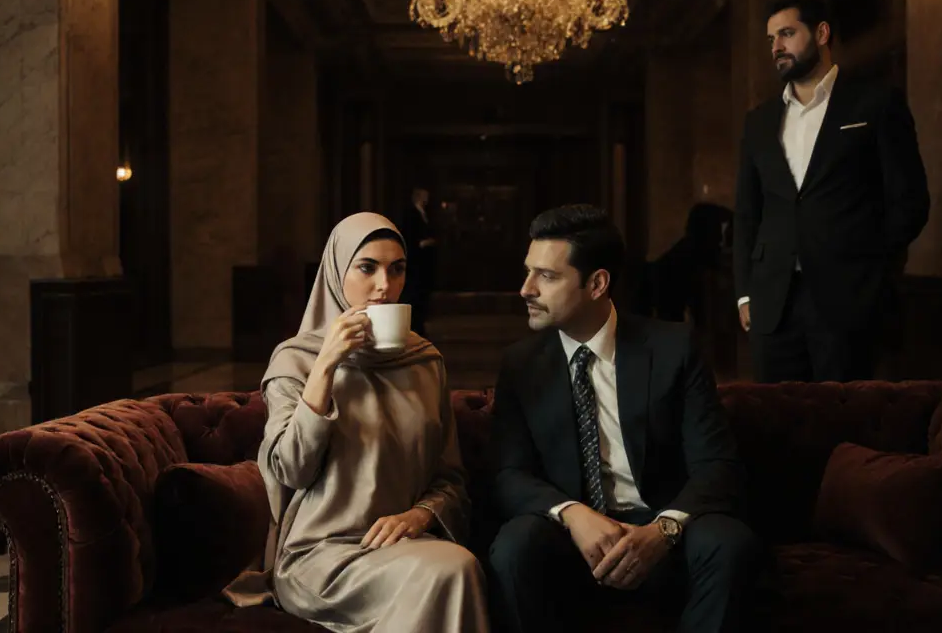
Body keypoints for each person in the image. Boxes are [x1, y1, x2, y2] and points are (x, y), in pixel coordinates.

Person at [486, 205, 760, 633]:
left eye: (547, 276)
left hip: (663, 527)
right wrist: (573, 514)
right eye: (528, 272)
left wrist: (664, 530)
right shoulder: (521, 365)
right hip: (571, 538)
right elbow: (508, 474)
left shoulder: (672, 348)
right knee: (513, 547)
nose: (526, 289)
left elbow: (718, 467)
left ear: (597, 283)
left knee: (729, 544)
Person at [224, 212, 489, 633]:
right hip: (320, 555)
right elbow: (292, 470)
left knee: (454, 568)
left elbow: (450, 479)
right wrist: (327, 364)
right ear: (336, 271)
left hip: (405, 546)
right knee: (451, 571)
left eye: (397, 269)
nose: (384, 285)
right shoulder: (296, 360)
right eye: (367, 267)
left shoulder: (425, 361)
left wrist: (420, 514)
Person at [733, 0, 929, 383]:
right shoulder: (759, 121)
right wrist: (745, 293)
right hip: (774, 304)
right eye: (771, 39)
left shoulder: (875, 104)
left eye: (787, 34)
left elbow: (910, 202)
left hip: (850, 299)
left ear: (822, 33)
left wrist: (871, 269)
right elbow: (747, 212)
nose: (777, 47)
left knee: (845, 421)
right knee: (777, 421)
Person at [400, 186, 438, 335]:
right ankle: (416, 325)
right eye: (424, 196)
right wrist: (422, 243)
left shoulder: (425, 214)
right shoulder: (411, 215)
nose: (426, 199)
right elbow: (409, 237)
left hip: (424, 262)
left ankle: (420, 323)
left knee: (422, 293)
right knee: (415, 294)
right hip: (416, 261)